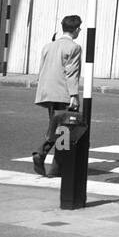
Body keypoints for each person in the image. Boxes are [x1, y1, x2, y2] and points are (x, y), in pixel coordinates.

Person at [32, 14, 82, 175]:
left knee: (58, 127)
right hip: (62, 92)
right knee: (64, 130)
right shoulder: (74, 47)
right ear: (75, 30)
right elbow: (71, 73)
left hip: (47, 92)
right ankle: (45, 157)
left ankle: (56, 166)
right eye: (79, 28)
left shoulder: (48, 46)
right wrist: (74, 95)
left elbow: (42, 70)